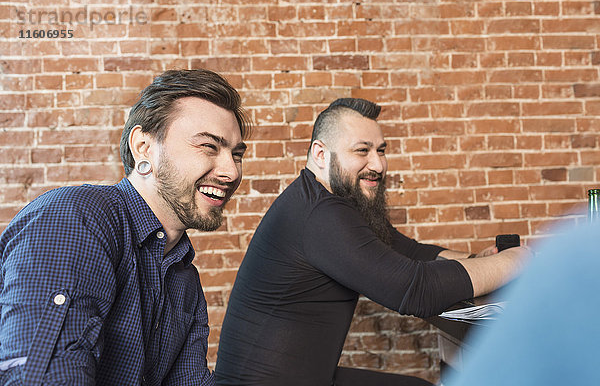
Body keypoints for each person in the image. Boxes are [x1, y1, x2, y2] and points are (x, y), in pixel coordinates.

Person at [214, 98, 532, 386]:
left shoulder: (327, 200)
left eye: (380, 150)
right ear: (320, 154)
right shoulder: (318, 214)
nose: (378, 165)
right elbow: (414, 290)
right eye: (362, 151)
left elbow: (404, 249)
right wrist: (517, 262)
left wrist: (477, 258)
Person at [0, 69, 250, 385]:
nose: (231, 172)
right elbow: (42, 378)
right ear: (143, 147)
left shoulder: (183, 279)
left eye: (236, 154)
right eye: (209, 147)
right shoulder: (78, 218)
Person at [446, 221, 600, 386]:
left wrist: (477, 259)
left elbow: (423, 255)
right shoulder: (583, 247)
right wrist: (513, 259)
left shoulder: (579, 245)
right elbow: (421, 274)